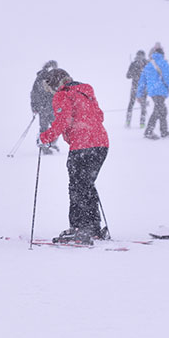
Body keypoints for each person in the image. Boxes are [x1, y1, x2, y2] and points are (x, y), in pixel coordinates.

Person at [37, 68, 110, 245]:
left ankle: (79, 228)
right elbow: (99, 115)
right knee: (86, 184)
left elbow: (64, 120)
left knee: (77, 187)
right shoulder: (86, 90)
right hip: (101, 145)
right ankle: (92, 227)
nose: (51, 92)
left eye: (49, 88)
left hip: (82, 146)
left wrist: (44, 137)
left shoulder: (62, 95)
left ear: (54, 84)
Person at [136, 42, 169, 139]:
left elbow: (142, 81)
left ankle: (163, 131)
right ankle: (149, 132)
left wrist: (139, 94)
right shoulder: (164, 63)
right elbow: (167, 78)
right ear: (162, 53)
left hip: (153, 91)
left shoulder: (148, 65)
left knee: (162, 110)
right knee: (158, 111)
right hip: (161, 91)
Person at [30, 60, 60, 154]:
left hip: (50, 107)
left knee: (55, 127)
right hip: (45, 107)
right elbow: (34, 93)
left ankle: (50, 143)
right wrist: (34, 107)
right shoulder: (41, 78)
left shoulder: (54, 76)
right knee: (47, 127)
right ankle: (44, 145)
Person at [125, 50, 149, 128]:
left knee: (131, 104)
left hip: (135, 87)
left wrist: (134, 74)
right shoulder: (146, 64)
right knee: (143, 104)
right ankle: (142, 122)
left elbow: (128, 75)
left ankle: (128, 121)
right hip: (143, 87)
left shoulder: (134, 64)